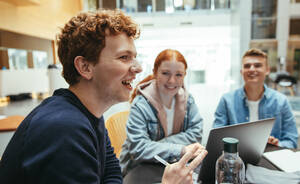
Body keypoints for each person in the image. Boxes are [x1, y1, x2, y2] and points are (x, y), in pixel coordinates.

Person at [0, 10, 207, 184]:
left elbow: (112, 178)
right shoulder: (63, 129)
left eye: (134, 57)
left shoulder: (92, 116)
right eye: (124, 57)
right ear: (85, 67)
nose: (137, 68)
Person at [119, 49, 205, 176]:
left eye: (178, 75)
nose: (172, 81)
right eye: (165, 73)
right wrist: (181, 150)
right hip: (139, 169)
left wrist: (155, 146)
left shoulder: (188, 100)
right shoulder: (141, 104)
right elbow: (138, 149)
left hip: (172, 166)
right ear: (155, 72)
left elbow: (196, 134)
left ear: (185, 75)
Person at [213, 48, 298, 149]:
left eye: (257, 65)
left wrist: (277, 145)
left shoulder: (281, 101)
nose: (252, 69)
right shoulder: (227, 101)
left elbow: (291, 141)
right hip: (236, 160)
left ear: (267, 70)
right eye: (247, 66)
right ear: (241, 71)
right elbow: (216, 140)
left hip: (270, 160)